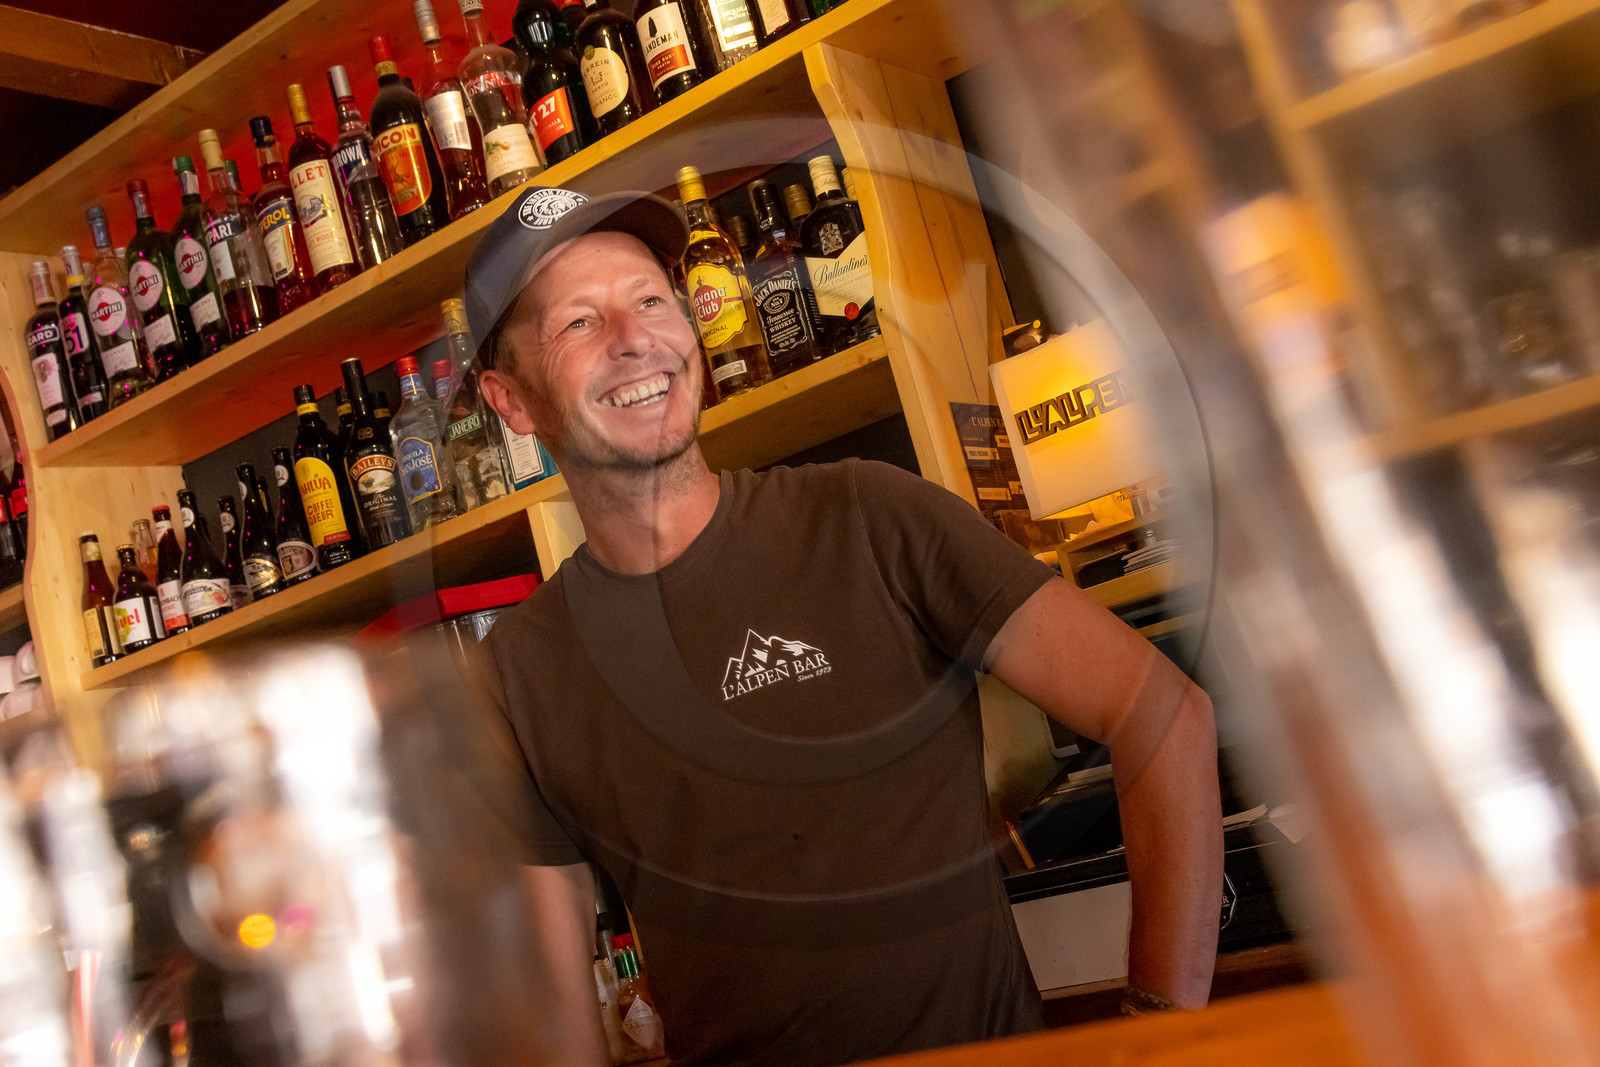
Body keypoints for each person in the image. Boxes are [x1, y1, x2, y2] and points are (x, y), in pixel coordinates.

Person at [464, 185, 1222, 1067]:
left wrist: (1161, 1034)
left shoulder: (868, 515)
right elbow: (549, 1010)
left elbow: (1162, 712)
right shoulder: (515, 675)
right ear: (510, 401)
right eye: (579, 324)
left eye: (650, 300)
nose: (635, 339)